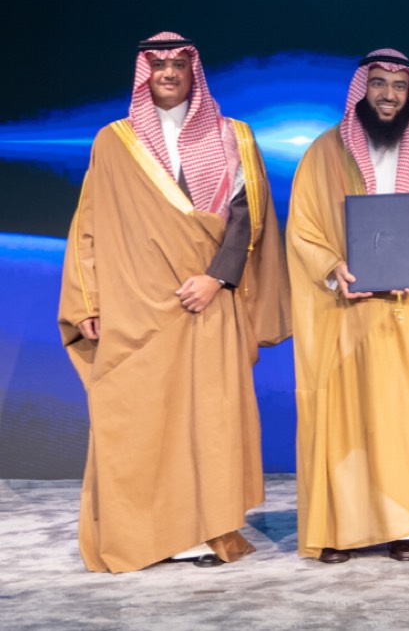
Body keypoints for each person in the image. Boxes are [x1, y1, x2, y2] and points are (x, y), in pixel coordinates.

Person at [58, 32, 291, 573]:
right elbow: (89, 224)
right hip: (134, 308)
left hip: (208, 302)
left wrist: (216, 280)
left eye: (178, 64)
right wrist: (88, 300)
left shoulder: (233, 135)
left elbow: (247, 218)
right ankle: (142, 536)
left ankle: (204, 534)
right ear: (144, 72)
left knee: (207, 422)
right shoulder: (113, 141)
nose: (167, 72)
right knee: (136, 420)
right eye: (157, 64)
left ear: (193, 72)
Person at [287, 49, 409, 564]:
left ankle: (407, 527)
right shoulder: (324, 151)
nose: (388, 95)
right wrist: (335, 269)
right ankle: (342, 529)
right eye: (378, 83)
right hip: (349, 312)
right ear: (362, 89)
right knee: (349, 422)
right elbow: (303, 229)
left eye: (398, 85)